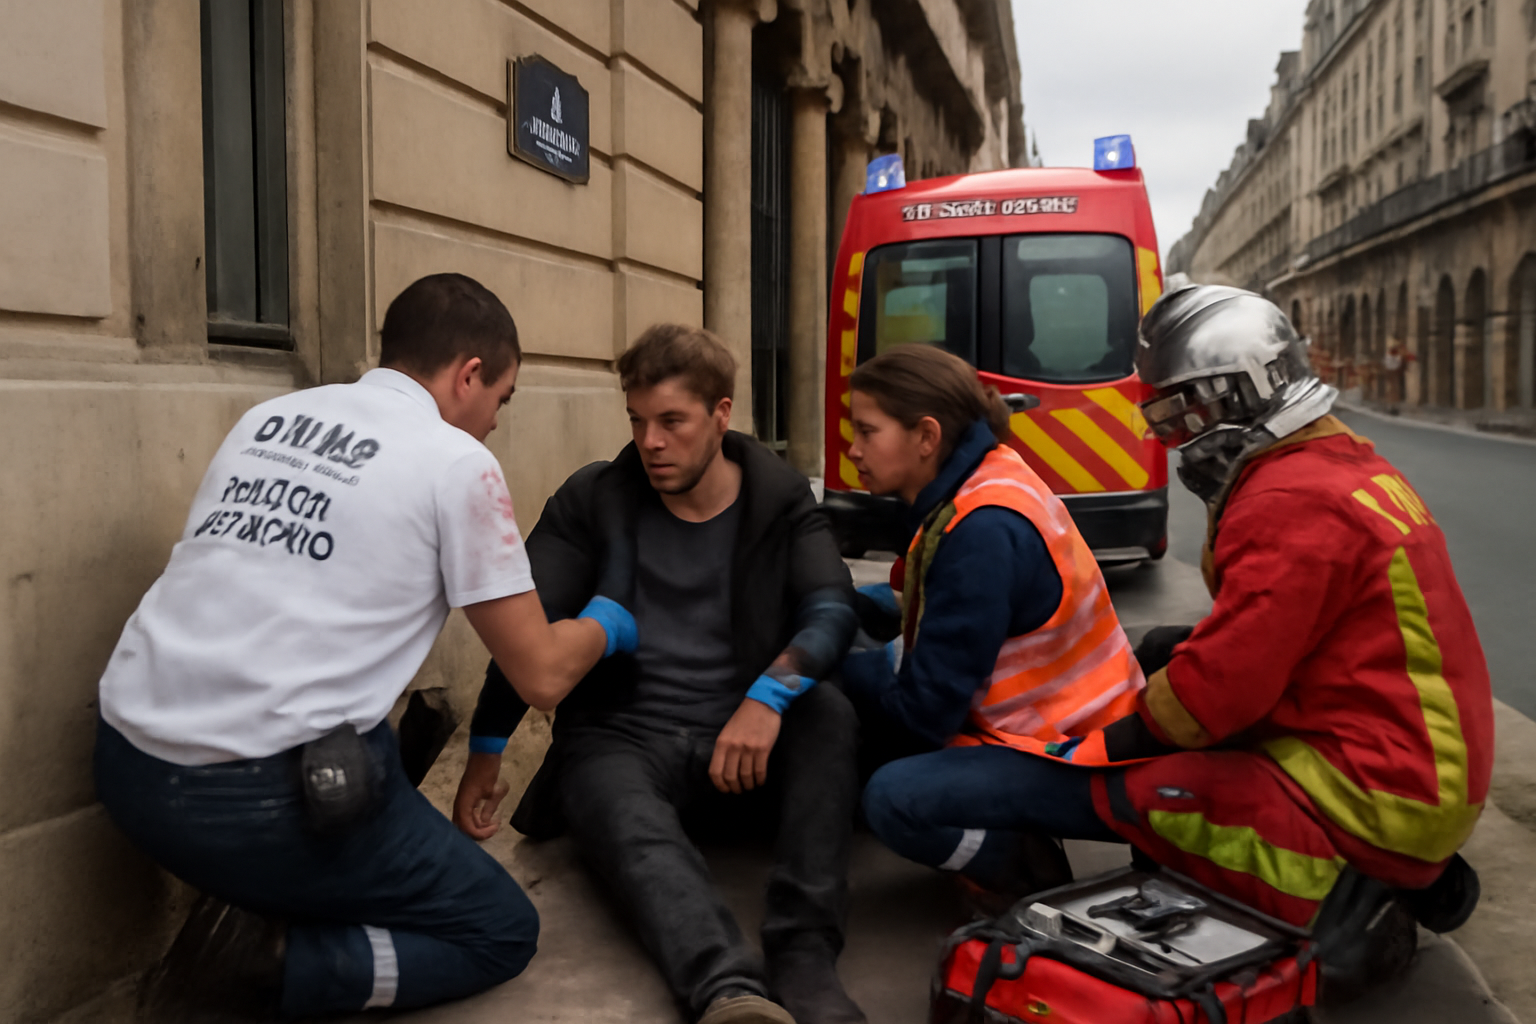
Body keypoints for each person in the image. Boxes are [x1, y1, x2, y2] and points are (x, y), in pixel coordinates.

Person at [94, 274, 638, 1020]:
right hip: (258, 802)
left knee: (365, 755)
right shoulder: (455, 462)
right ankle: (273, 966)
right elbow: (542, 672)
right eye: (501, 400)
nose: (495, 424)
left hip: (126, 769)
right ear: (468, 374)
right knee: (499, 929)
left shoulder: (270, 418)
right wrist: (608, 619)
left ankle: (270, 907)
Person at [454, 324, 863, 1024]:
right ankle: (728, 990)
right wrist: (488, 745)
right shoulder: (595, 498)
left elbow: (831, 606)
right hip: (627, 734)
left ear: (722, 414)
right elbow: (526, 624)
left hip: (744, 738)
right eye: (638, 422)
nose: (651, 442)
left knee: (828, 714)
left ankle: (803, 956)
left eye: (672, 421)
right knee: (600, 783)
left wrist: (770, 695)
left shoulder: (780, 497)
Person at [1089, 286, 1492, 942]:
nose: (1179, 436)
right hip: (1421, 757)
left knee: (1152, 788)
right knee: (1171, 651)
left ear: (1247, 391)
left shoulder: (1292, 500)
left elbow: (1215, 697)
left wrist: (1099, 748)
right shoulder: (1335, 461)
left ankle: (1346, 912)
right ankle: (1404, 870)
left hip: (1391, 788)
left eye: (1188, 412)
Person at [837, 345, 1147, 905]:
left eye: (867, 431)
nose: (852, 449)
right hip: (1081, 721)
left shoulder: (982, 530)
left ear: (926, 437)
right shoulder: (985, 477)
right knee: (864, 654)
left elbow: (923, 717)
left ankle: (1017, 863)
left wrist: (825, 679)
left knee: (890, 796)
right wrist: (838, 609)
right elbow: (919, 600)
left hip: (1072, 755)